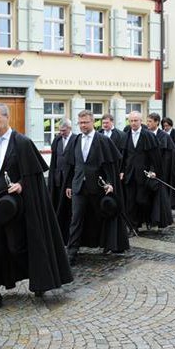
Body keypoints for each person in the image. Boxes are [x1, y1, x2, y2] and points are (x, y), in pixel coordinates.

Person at [0, 103, 73, 314]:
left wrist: (22, 184)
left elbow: (34, 177)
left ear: (6, 117)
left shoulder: (22, 143)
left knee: (17, 248)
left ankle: (39, 279)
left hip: (17, 209)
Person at [65, 110, 129, 263]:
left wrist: (109, 183)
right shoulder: (75, 140)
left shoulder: (102, 140)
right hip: (79, 186)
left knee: (102, 216)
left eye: (86, 122)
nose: (83, 125)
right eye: (80, 123)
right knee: (76, 218)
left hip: (98, 186)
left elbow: (110, 165)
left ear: (93, 122)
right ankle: (72, 251)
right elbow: (71, 165)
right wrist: (68, 185)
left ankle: (107, 244)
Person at [120, 111, 163, 232]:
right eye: (131, 121)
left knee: (142, 200)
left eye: (135, 120)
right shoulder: (125, 136)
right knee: (130, 202)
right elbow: (123, 156)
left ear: (140, 121)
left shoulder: (148, 136)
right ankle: (133, 226)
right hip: (129, 174)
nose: (133, 123)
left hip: (143, 174)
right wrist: (121, 171)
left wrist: (153, 171)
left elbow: (155, 156)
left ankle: (147, 219)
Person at [48, 118, 75, 244]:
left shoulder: (75, 140)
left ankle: (70, 237)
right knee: (58, 207)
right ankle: (59, 236)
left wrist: (71, 183)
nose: (61, 133)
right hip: (58, 179)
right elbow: (54, 159)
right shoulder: (57, 140)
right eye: (60, 130)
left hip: (69, 180)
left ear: (69, 128)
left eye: (64, 130)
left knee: (69, 210)